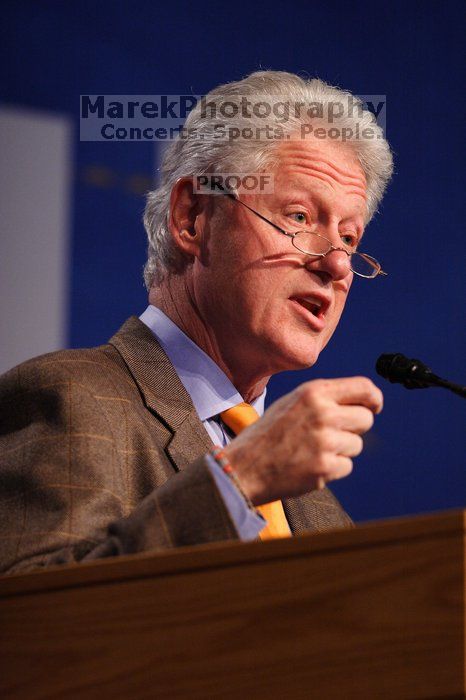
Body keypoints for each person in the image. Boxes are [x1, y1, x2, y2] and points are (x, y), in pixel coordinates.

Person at [0, 71, 393, 574]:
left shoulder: (319, 512)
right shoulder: (71, 400)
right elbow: (32, 626)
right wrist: (237, 481)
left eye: (351, 238)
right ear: (192, 218)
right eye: (298, 217)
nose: (337, 264)